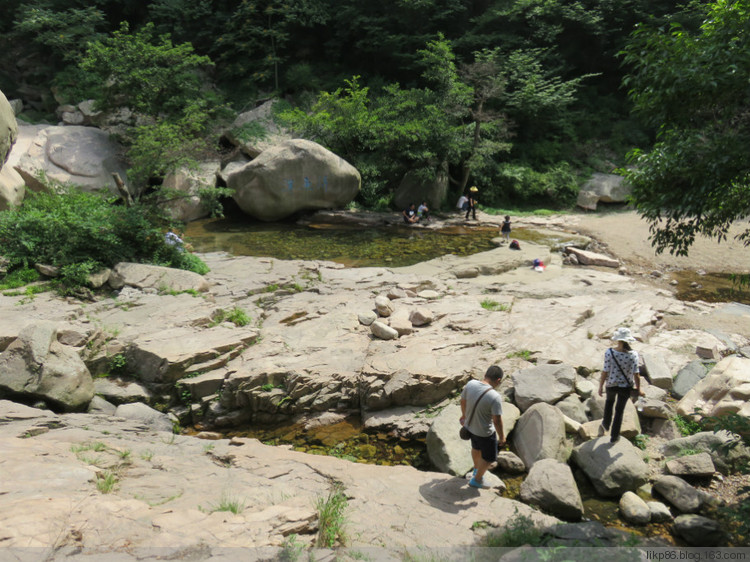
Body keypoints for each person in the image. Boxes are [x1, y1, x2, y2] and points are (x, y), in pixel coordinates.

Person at [460, 365, 505, 488]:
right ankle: (477, 479)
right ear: (498, 380)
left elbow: (463, 401)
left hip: (470, 428)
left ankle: (475, 470)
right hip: (485, 433)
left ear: (486, 375)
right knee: (489, 458)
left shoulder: (471, 384)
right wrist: (502, 437)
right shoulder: (494, 397)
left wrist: (464, 416)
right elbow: (497, 420)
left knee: (476, 448)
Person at [598, 327, 642, 443]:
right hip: (625, 388)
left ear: (619, 340)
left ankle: (605, 424)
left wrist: (600, 386)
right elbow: (636, 374)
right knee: (619, 411)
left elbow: (605, 371)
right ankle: (614, 437)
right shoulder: (634, 355)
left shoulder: (610, 353)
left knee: (609, 403)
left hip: (611, 385)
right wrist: (639, 389)